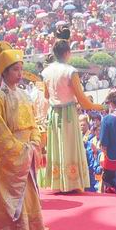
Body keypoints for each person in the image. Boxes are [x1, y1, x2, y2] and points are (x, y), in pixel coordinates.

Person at [0, 45, 45, 230]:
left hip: (26, 152)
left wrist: (35, 142)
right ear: (4, 72)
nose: (19, 74)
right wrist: (21, 149)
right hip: (13, 154)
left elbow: (32, 124)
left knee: (27, 197)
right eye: (15, 70)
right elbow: (0, 133)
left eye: (21, 69)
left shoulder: (24, 96)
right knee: (13, 197)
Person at [40, 31, 104, 193]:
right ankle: (71, 183)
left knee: (58, 147)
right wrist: (98, 107)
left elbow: (46, 95)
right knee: (69, 146)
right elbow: (82, 99)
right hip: (68, 112)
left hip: (54, 113)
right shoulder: (70, 71)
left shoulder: (46, 72)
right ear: (67, 53)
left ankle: (59, 182)